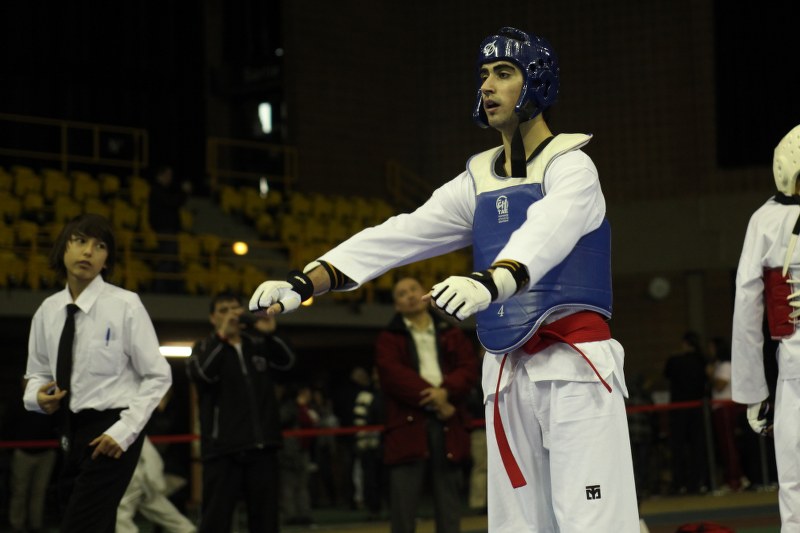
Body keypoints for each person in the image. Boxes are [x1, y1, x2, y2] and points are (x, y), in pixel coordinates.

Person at [250, 26, 640, 532]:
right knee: (517, 525)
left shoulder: (572, 167)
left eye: (504, 73)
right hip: (506, 372)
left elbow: (549, 229)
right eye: (483, 75)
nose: (487, 86)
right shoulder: (475, 180)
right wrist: (307, 280)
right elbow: (400, 235)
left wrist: (490, 282)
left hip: (574, 366)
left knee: (594, 522)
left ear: (537, 81)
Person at [23, 213, 173, 533]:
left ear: (107, 261)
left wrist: (125, 431)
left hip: (113, 428)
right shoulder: (47, 311)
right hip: (67, 427)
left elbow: (159, 375)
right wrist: (36, 397)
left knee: (80, 525)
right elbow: (35, 372)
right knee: (89, 521)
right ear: (64, 249)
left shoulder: (125, 305)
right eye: (80, 241)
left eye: (99, 246)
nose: (88, 251)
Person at [732, 124, 800, 529]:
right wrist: (754, 389)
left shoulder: (765, 222)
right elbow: (746, 305)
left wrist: (753, 391)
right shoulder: (768, 221)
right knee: (793, 482)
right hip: (793, 371)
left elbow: (745, 305)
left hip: (794, 371)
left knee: (794, 483)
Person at [376, 276, 478, 533]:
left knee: (449, 504)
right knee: (403, 505)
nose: (409, 295)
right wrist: (435, 396)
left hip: (448, 421)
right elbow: (392, 375)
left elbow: (468, 367)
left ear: (426, 294)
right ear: (396, 305)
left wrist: (445, 392)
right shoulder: (389, 338)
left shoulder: (451, 332)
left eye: (414, 289)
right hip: (407, 426)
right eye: (401, 293)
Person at [188, 292, 295, 533]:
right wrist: (222, 338)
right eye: (223, 311)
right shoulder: (203, 348)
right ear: (212, 318)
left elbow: (288, 364)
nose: (230, 315)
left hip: (262, 447)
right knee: (216, 520)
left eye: (235, 309)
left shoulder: (258, 344)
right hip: (222, 451)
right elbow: (203, 375)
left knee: (265, 521)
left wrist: (271, 333)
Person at [6, 378, 58, 533]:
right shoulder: (16, 403)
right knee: (19, 490)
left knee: (39, 491)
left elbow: (57, 424)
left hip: (46, 452)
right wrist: (11, 449)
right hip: (22, 452)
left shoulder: (50, 402)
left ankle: (36, 524)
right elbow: (8, 427)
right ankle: (17, 524)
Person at [116, 436, 197, 533]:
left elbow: (149, 454)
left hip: (137, 478)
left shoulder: (128, 426)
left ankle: (187, 530)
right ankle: (187, 529)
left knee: (121, 514)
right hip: (138, 478)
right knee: (160, 508)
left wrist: (156, 479)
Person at [663, 331, 710, 494]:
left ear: (684, 343)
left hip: (679, 408)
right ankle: (698, 482)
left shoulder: (674, 361)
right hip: (697, 408)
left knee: (678, 448)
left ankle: (679, 483)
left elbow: (667, 376)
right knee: (698, 447)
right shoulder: (702, 361)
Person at [707, 336, 747, 493]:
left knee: (729, 445)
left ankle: (735, 480)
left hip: (725, 407)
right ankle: (734, 477)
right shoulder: (720, 365)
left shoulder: (725, 365)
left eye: (711, 347)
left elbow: (719, 386)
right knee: (725, 445)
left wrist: (710, 375)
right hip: (720, 407)